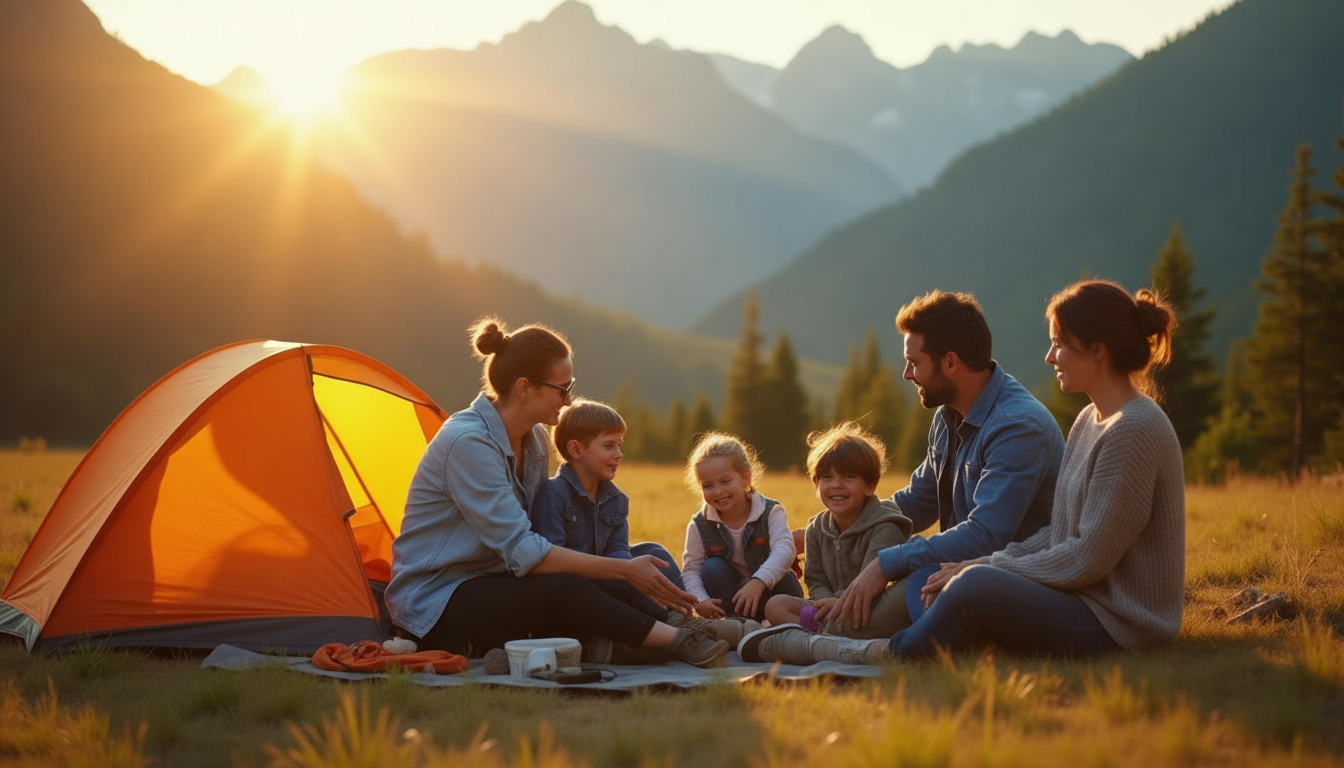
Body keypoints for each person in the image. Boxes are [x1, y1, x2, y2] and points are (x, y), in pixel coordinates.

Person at [742, 280, 1185, 664]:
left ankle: (877, 651)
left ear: (1098, 350)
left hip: (1113, 619)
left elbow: (1085, 556)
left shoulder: (1123, 430)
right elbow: (1051, 532)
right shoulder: (1089, 419)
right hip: (1049, 586)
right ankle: (912, 631)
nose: (1050, 356)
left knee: (966, 585)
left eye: (1059, 343)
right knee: (933, 579)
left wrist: (970, 567)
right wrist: (825, 531)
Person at [384, 318, 729, 667]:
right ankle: (679, 640)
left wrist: (622, 567)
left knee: (642, 556)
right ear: (524, 388)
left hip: (502, 579)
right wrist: (622, 571)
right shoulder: (468, 443)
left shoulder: (534, 438)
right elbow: (524, 552)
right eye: (562, 390)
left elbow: (539, 536)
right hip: (438, 602)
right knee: (570, 585)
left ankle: (656, 629)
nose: (568, 400)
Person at [819, 290, 1066, 636]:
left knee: (871, 609)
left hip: (1016, 583)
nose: (907, 374)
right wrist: (833, 527)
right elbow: (917, 502)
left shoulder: (1017, 427)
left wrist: (885, 564)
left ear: (950, 363)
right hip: (957, 571)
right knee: (893, 591)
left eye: (914, 362)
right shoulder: (948, 415)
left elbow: (985, 535)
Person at [762, 422, 913, 637]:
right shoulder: (816, 528)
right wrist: (826, 603)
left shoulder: (886, 526)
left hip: (869, 608)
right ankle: (825, 635)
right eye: (827, 477)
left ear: (870, 485)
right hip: (829, 607)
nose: (836, 485)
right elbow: (815, 579)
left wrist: (838, 602)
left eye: (849, 476)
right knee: (775, 606)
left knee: (872, 615)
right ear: (816, 484)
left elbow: (872, 584)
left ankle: (818, 637)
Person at [681, 433, 801, 623]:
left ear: (746, 478)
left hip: (773, 594)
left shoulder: (771, 511)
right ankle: (737, 625)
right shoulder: (699, 525)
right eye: (708, 485)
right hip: (733, 599)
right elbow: (691, 570)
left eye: (725, 481)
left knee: (784, 575)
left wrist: (758, 582)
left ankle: (784, 625)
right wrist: (701, 601)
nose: (718, 491)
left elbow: (785, 550)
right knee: (712, 568)